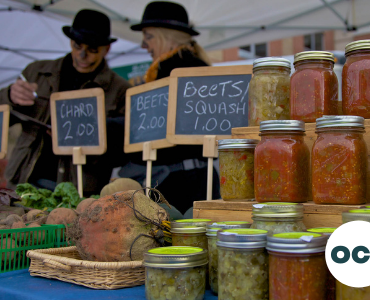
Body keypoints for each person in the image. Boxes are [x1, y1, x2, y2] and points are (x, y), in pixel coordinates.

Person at [0, 9, 131, 195]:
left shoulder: (119, 90)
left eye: (92, 49)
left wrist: (87, 131)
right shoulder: (37, 72)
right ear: (70, 41)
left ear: (106, 49)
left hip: (79, 190)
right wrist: (10, 96)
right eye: (77, 46)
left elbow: (123, 152)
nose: (82, 55)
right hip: (24, 180)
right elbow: (5, 120)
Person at [122, 1, 220, 217]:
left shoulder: (182, 71)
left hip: (184, 185)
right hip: (188, 180)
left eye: (148, 36)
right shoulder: (177, 69)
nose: (143, 45)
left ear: (167, 36)